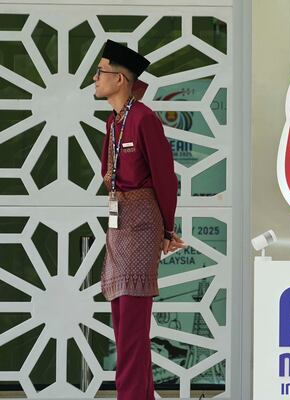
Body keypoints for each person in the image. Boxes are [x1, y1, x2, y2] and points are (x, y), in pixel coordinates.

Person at [95, 39, 186, 400]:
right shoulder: (113, 123)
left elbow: (165, 177)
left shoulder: (145, 119)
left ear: (119, 79)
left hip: (143, 225)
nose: (95, 79)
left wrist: (167, 228)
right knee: (124, 328)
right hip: (119, 225)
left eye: (100, 72)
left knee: (131, 332)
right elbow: (108, 171)